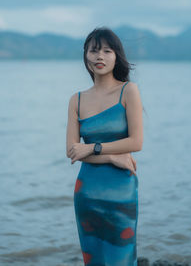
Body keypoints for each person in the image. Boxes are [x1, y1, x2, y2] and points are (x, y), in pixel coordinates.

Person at [66, 27, 143, 266]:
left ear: (116, 56)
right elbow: (72, 151)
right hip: (87, 192)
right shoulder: (76, 99)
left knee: (122, 258)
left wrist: (92, 148)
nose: (100, 56)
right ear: (86, 57)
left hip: (122, 191)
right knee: (94, 260)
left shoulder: (128, 91)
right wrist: (111, 156)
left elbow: (136, 142)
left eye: (107, 51)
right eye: (94, 50)